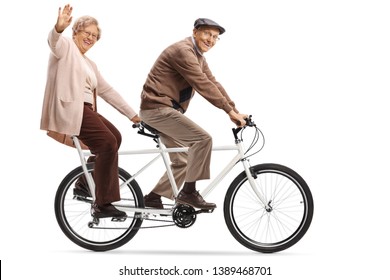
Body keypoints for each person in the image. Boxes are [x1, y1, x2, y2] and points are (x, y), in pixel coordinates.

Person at [40, 4, 141, 218]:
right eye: (87, 33)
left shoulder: (90, 64)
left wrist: (133, 115)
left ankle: (85, 184)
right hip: (71, 109)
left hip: (86, 110)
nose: (91, 38)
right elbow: (53, 42)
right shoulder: (66, 47)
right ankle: (103, 204)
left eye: (95, 36)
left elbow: (107, 90)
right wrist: (58, 28)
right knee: (107, 143)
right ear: (76, 32)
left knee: (116, 137)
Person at [140, 18, 247, 210]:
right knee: (202, 140)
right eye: (207, 33)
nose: (211, 40)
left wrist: (235, 111)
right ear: (195, 32)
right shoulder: (184, 51)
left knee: (183, 160)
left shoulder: (198, 57)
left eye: (215, 37)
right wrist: (228, 111)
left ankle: (153, 198)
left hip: (164, 110)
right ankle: (188, 193)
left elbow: (213, 83)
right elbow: (202, 83)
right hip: (157, 109)